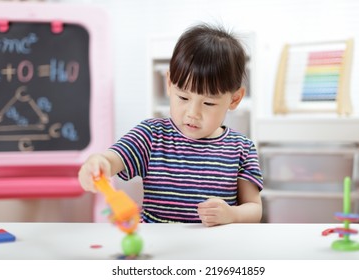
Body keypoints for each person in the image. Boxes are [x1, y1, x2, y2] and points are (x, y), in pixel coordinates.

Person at [78, 23, 264, 226]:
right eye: (183, 97)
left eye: (209, 103)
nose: (193, 113)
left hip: (213, 248)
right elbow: (112, 160)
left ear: (235, 99)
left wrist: (232, 215)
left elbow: (254, 209)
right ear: (169, 83)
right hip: (158, 245)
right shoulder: (151, 135)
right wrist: (99, 163)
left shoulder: (241, 148)